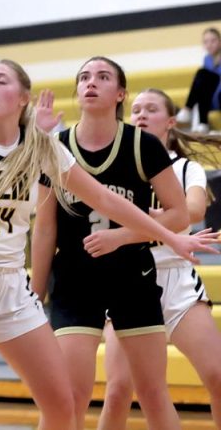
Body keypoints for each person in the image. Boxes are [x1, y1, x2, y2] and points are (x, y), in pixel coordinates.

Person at [0, 58, 212, 430]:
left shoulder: (42, 147)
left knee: (62, 405)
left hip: (13, 283)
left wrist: (171, 236)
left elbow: (106, 200)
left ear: (23, 98)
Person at [31, 56, 212, 430]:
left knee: (151, 391)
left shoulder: (143, 146)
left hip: (134, 276)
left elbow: (180, 214)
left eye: (102, 76)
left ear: (120, 93)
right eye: (83, 77)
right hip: (76, 281)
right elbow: (45, 229)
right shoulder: (55, 147)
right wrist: (34, 292)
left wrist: (122, 236)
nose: (91, 82)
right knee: (69, 396)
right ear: (77, 91)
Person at [97, 88, 221, 430]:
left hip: (176, 280)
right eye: (135, 110)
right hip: (125, 280)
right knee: (119, 390)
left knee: (218, 377)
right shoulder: (115, 167)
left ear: (169, 122)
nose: (140, 115)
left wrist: (139, 218)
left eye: (150, 109)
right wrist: (163, 221)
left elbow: (191, 211)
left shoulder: (185, 168)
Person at [177, 26, 221, 133]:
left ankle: (188, 109)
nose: (209, 44)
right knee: (202, 78)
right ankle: (202, 123)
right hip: (209, 97)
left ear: (220, 41)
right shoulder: (207, 59)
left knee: (202, 74)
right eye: (206, 42)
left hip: (219, 95)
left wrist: (214, 94)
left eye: (213, 41)